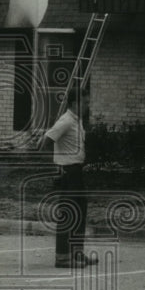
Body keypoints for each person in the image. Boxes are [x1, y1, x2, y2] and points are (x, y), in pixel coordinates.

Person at [42, 85, 97, 268]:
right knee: (68, 214)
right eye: (86, 102)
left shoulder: (77, 120)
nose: (88, 105)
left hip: (77, 171)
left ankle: (76, 253)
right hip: (68, 172)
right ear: (75, 103)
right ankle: (62, 257)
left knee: (80, 211)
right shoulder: (65, 120)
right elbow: (46, 141)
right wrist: (56, 166)